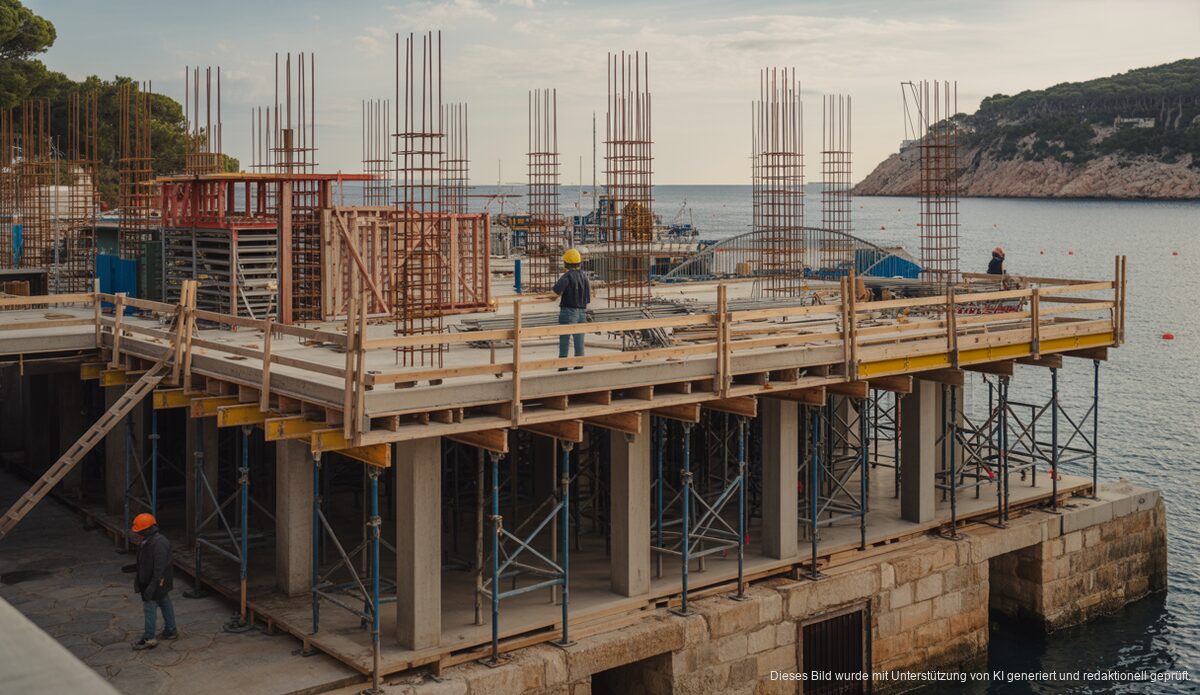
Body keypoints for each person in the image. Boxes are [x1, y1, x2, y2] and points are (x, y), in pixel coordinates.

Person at [131, 513, 177, 650]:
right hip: (155, 581)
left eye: (139, 531)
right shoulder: (148, 540)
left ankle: (149, 638)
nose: (137, 533)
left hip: (156, 581)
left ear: (148, 529)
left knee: (149, 606)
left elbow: (159, 569)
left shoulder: (159, 543)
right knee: (164, 601)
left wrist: (151, 587)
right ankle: (171, 630)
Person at [552, 248, 590, 371]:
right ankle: (579, 363)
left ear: (566, 263)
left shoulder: (567, 276)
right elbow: (587, 298)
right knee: (579, 339)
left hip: (568, 311)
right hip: (582, 312)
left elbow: (556, 292)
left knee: (564, 338)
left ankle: (563, 364)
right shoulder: (584, 276)